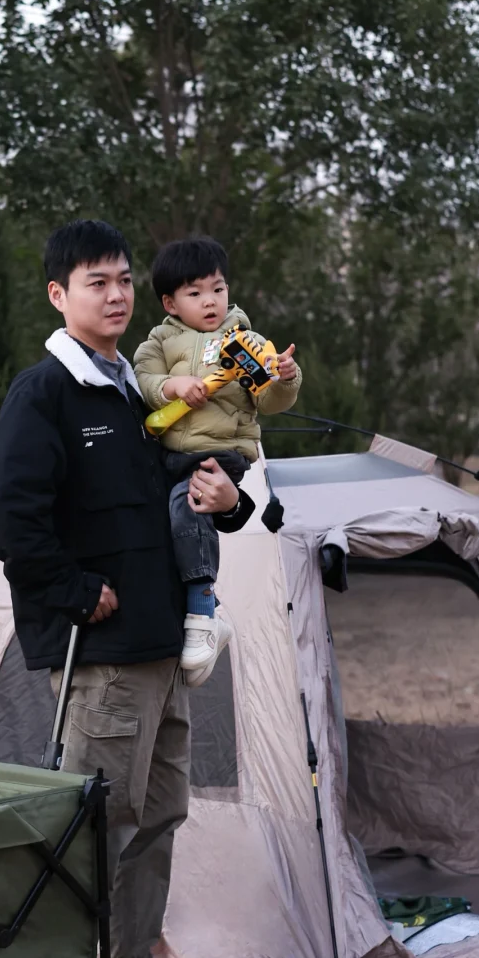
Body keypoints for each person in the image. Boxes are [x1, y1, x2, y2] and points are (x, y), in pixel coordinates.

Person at [0, 219, 255, 958]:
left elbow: (182, 498)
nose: (119, 293)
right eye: (99, 281)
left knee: (159, 813)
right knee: (92, 826)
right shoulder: (46, 393)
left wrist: (224, 502)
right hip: (98, 657)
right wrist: (68, 588)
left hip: (162, 648)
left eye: (125, 279)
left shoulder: (142, 389)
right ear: (59, 296)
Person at [133, 236, 301, 677]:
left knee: (186, 506)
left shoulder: (245, 340)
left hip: (221, 453)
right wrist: (172, 387)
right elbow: (143, 377)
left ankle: (204, 613)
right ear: (170, 302)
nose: (210, 301)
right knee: (169, 519)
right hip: (170, 451)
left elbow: (270, 401)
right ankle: (203, 610)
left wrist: (284, 377)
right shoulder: (160, 340)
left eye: (218, 288)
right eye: (195, 293)